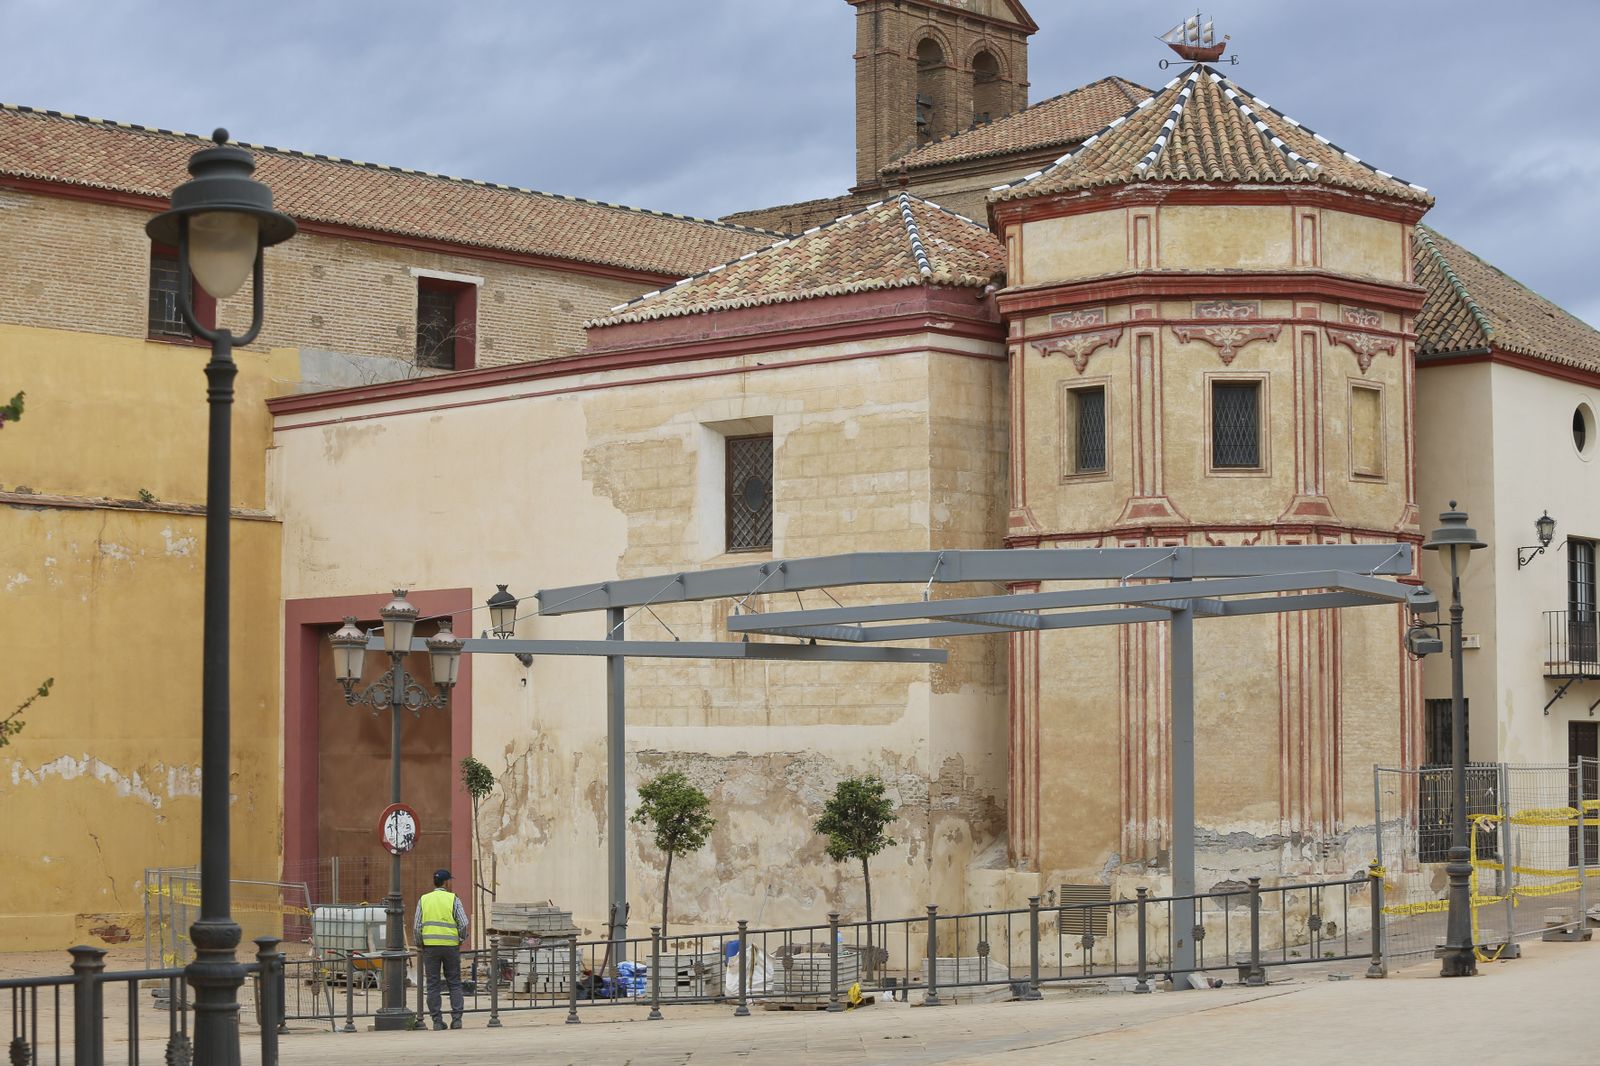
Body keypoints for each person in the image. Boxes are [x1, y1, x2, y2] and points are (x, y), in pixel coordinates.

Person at [413, 868, 469, 1030]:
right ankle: (457, 1019)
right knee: (454, 983)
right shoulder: (453, 899)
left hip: (430, 948)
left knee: (432, 984)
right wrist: (460, 938)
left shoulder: (424, 899)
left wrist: (420, 943)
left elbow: (417, 927)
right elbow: (464, 923)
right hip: (451, 947)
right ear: (447, 882)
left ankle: (437, 1021)